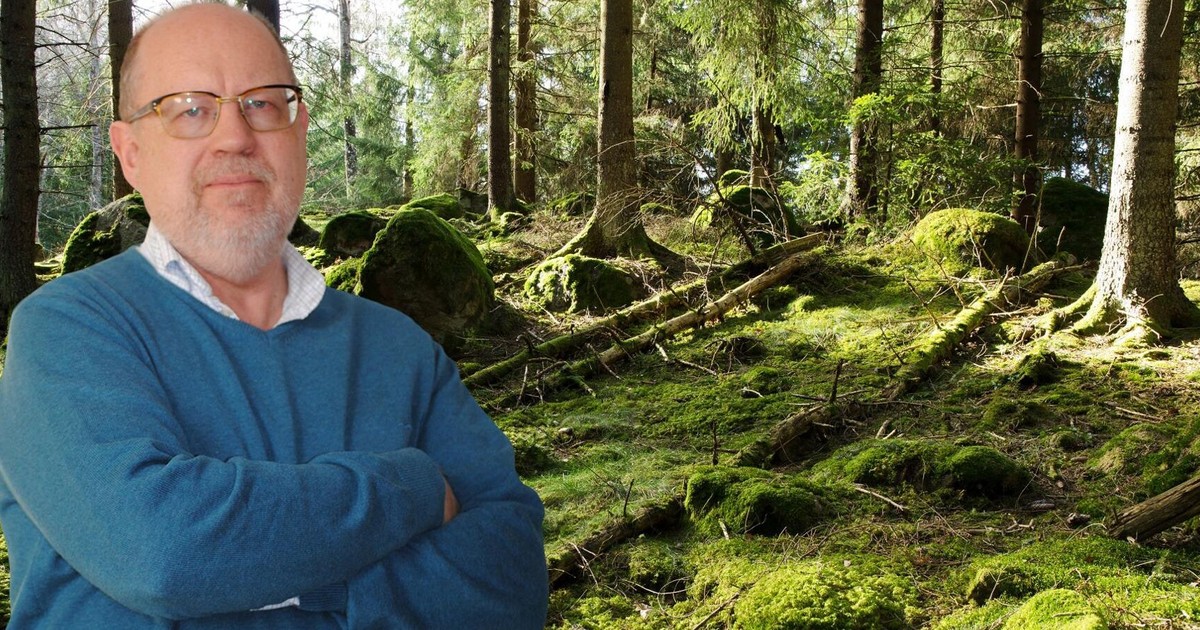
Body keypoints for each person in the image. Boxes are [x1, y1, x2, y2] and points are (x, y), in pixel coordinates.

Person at [0, 2, 548, 627]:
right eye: (189, 109)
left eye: (262, 103)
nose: (235, 137)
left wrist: (284, 583)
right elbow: (162, 555)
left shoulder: (400, 348)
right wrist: (413, 490)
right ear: (130, 154)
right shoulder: (67, 330)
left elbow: (512, 579)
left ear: (299, 131)